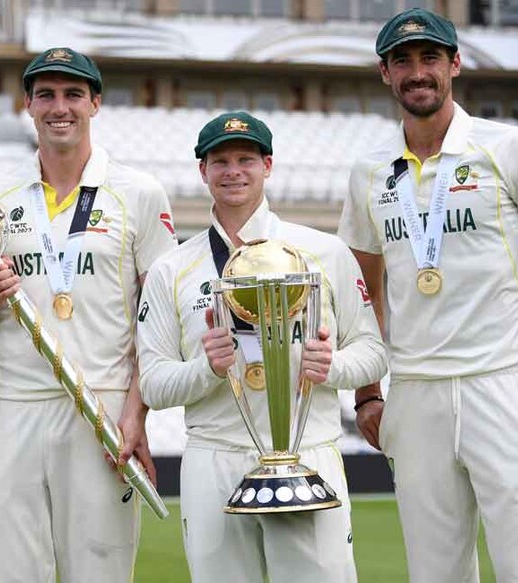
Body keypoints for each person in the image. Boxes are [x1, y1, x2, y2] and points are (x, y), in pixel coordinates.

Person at [338, 9, 518, 582]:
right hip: (416, 392)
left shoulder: (512, 148)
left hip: (500, 383)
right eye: (402, 60)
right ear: (385, 73)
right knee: (435, 575)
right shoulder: (369, 171)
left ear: (454, 64)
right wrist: (367, 394)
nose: (417, 71)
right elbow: (361, 289)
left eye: (430, 57)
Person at [137, 111, 388, 582]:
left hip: (307, 451)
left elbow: (373, 352)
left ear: (267, 165)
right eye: (220, 161)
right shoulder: (173, 269)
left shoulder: (324, 252)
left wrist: (331, 366)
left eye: (246, 160)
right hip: (214, 456)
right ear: (203, 171)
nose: (233, 171)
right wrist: (206, 368)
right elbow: (152, 384)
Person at [0, 47, 178, 582]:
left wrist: (137, 413)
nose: (60, 107)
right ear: (28, 106)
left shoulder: (138, 193)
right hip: (15, 404)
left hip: (102, 405)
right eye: (47, 95)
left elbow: (159, 317)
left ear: (95, 103)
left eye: (73, 94)